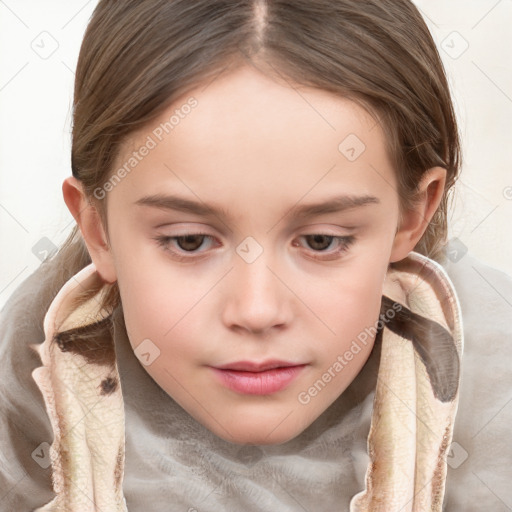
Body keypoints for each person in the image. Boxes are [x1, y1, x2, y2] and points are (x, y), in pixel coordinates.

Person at [0, 1, 511, 510]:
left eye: (321, 241)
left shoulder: (496, 395)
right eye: (189, 241)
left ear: (411, 215)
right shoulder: (28, 377)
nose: (256, 310)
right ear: (99, 229)